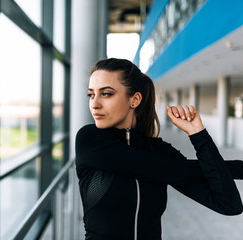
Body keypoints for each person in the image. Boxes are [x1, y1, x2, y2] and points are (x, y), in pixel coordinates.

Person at [75, 58, 243, 240]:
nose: (94, 103)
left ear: (135, 99)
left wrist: (198, 134)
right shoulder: (90, 140)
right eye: (91, 94)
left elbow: (229, 204)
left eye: (106, 94)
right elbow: (170, 171)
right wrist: (237, 168)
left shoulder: (159, 151)